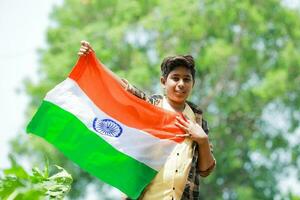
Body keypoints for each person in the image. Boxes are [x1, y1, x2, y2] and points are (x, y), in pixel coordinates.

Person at [78, 41, 216, 200]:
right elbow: (125, 89)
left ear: (193, 83)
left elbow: (205, 170)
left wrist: (203, 140)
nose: (181, 84)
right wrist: (95, 63)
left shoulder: (197, 119)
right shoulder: (152, 107)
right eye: (175, 78)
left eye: (186, 79)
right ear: (163, 81)